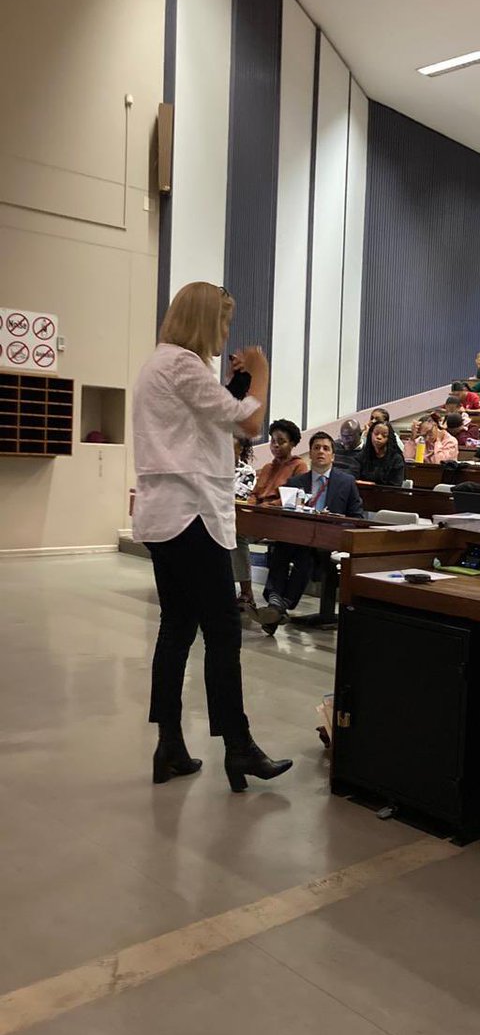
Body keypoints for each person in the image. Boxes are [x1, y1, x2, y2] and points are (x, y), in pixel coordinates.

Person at [132, 281, 292, 791]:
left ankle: (171, 744)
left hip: (166, 517)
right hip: (192, 516)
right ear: (205, 321)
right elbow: (250, 423)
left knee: (177, 627)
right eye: (223, 322)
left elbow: (219, 418)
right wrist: (262, 374)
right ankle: (239, 747)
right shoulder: (182, 365)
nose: (226, 333)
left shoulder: (161, 364)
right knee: (222, 632)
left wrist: (234, 387)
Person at [263, 432, 364, 636]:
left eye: (326, 448)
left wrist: (334, 520)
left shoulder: (346, 482)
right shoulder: (296, 483)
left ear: (333, 456)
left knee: (305, 555)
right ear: (310, 453)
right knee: (281, 546)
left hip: (328, 540)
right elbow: (287, 515)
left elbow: (357, 517)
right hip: (298, 537)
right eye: (316, 448)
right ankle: (278, 602)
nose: (321, 452)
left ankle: (277, 604)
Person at [246, 419, 306, 504]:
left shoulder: (299, 466)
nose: (276, 445)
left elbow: (297, 497)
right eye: (273, 441)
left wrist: (272, 505)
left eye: (281, 442)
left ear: (292, 443)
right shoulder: (267, 468)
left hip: (280, 514)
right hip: (259, 512)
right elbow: (254, 495)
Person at [231, 437, 257, 611]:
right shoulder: (209, 467)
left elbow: (239, 497)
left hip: (240, 519)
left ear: (240, 449)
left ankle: (246, 592)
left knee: (237, 535)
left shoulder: (246, 471)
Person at [356, 420, 406, 485]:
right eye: (376, 434)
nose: (379, 437)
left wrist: (373, 485)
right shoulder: (362, 455)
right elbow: (353, 477)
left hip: (387, 494)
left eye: (384, 435)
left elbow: (395, 486)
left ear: (389, 438)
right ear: (371, 434)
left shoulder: (396, 459)